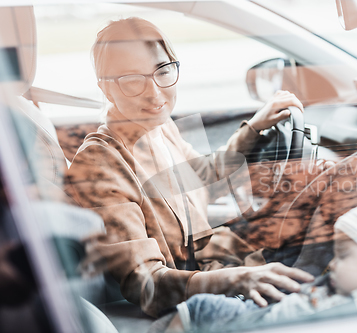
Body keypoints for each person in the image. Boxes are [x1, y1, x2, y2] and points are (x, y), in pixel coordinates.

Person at [64, 17, 313, 318]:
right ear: (106, 89)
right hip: (194, 302)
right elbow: (147, 284)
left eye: (163, 71)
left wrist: (254, 127)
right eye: (132, 80)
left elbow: (202, 176)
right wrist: (237, 279)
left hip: (227, 261)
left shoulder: (159, 126)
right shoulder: (99, 163)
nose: (155, 94)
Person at [156, 191, 357, 332]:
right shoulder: (351, 282)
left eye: (344, 256)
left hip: (268, 321)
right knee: (200, 307)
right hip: (269, 313)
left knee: (202, 308)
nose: (334, 264)